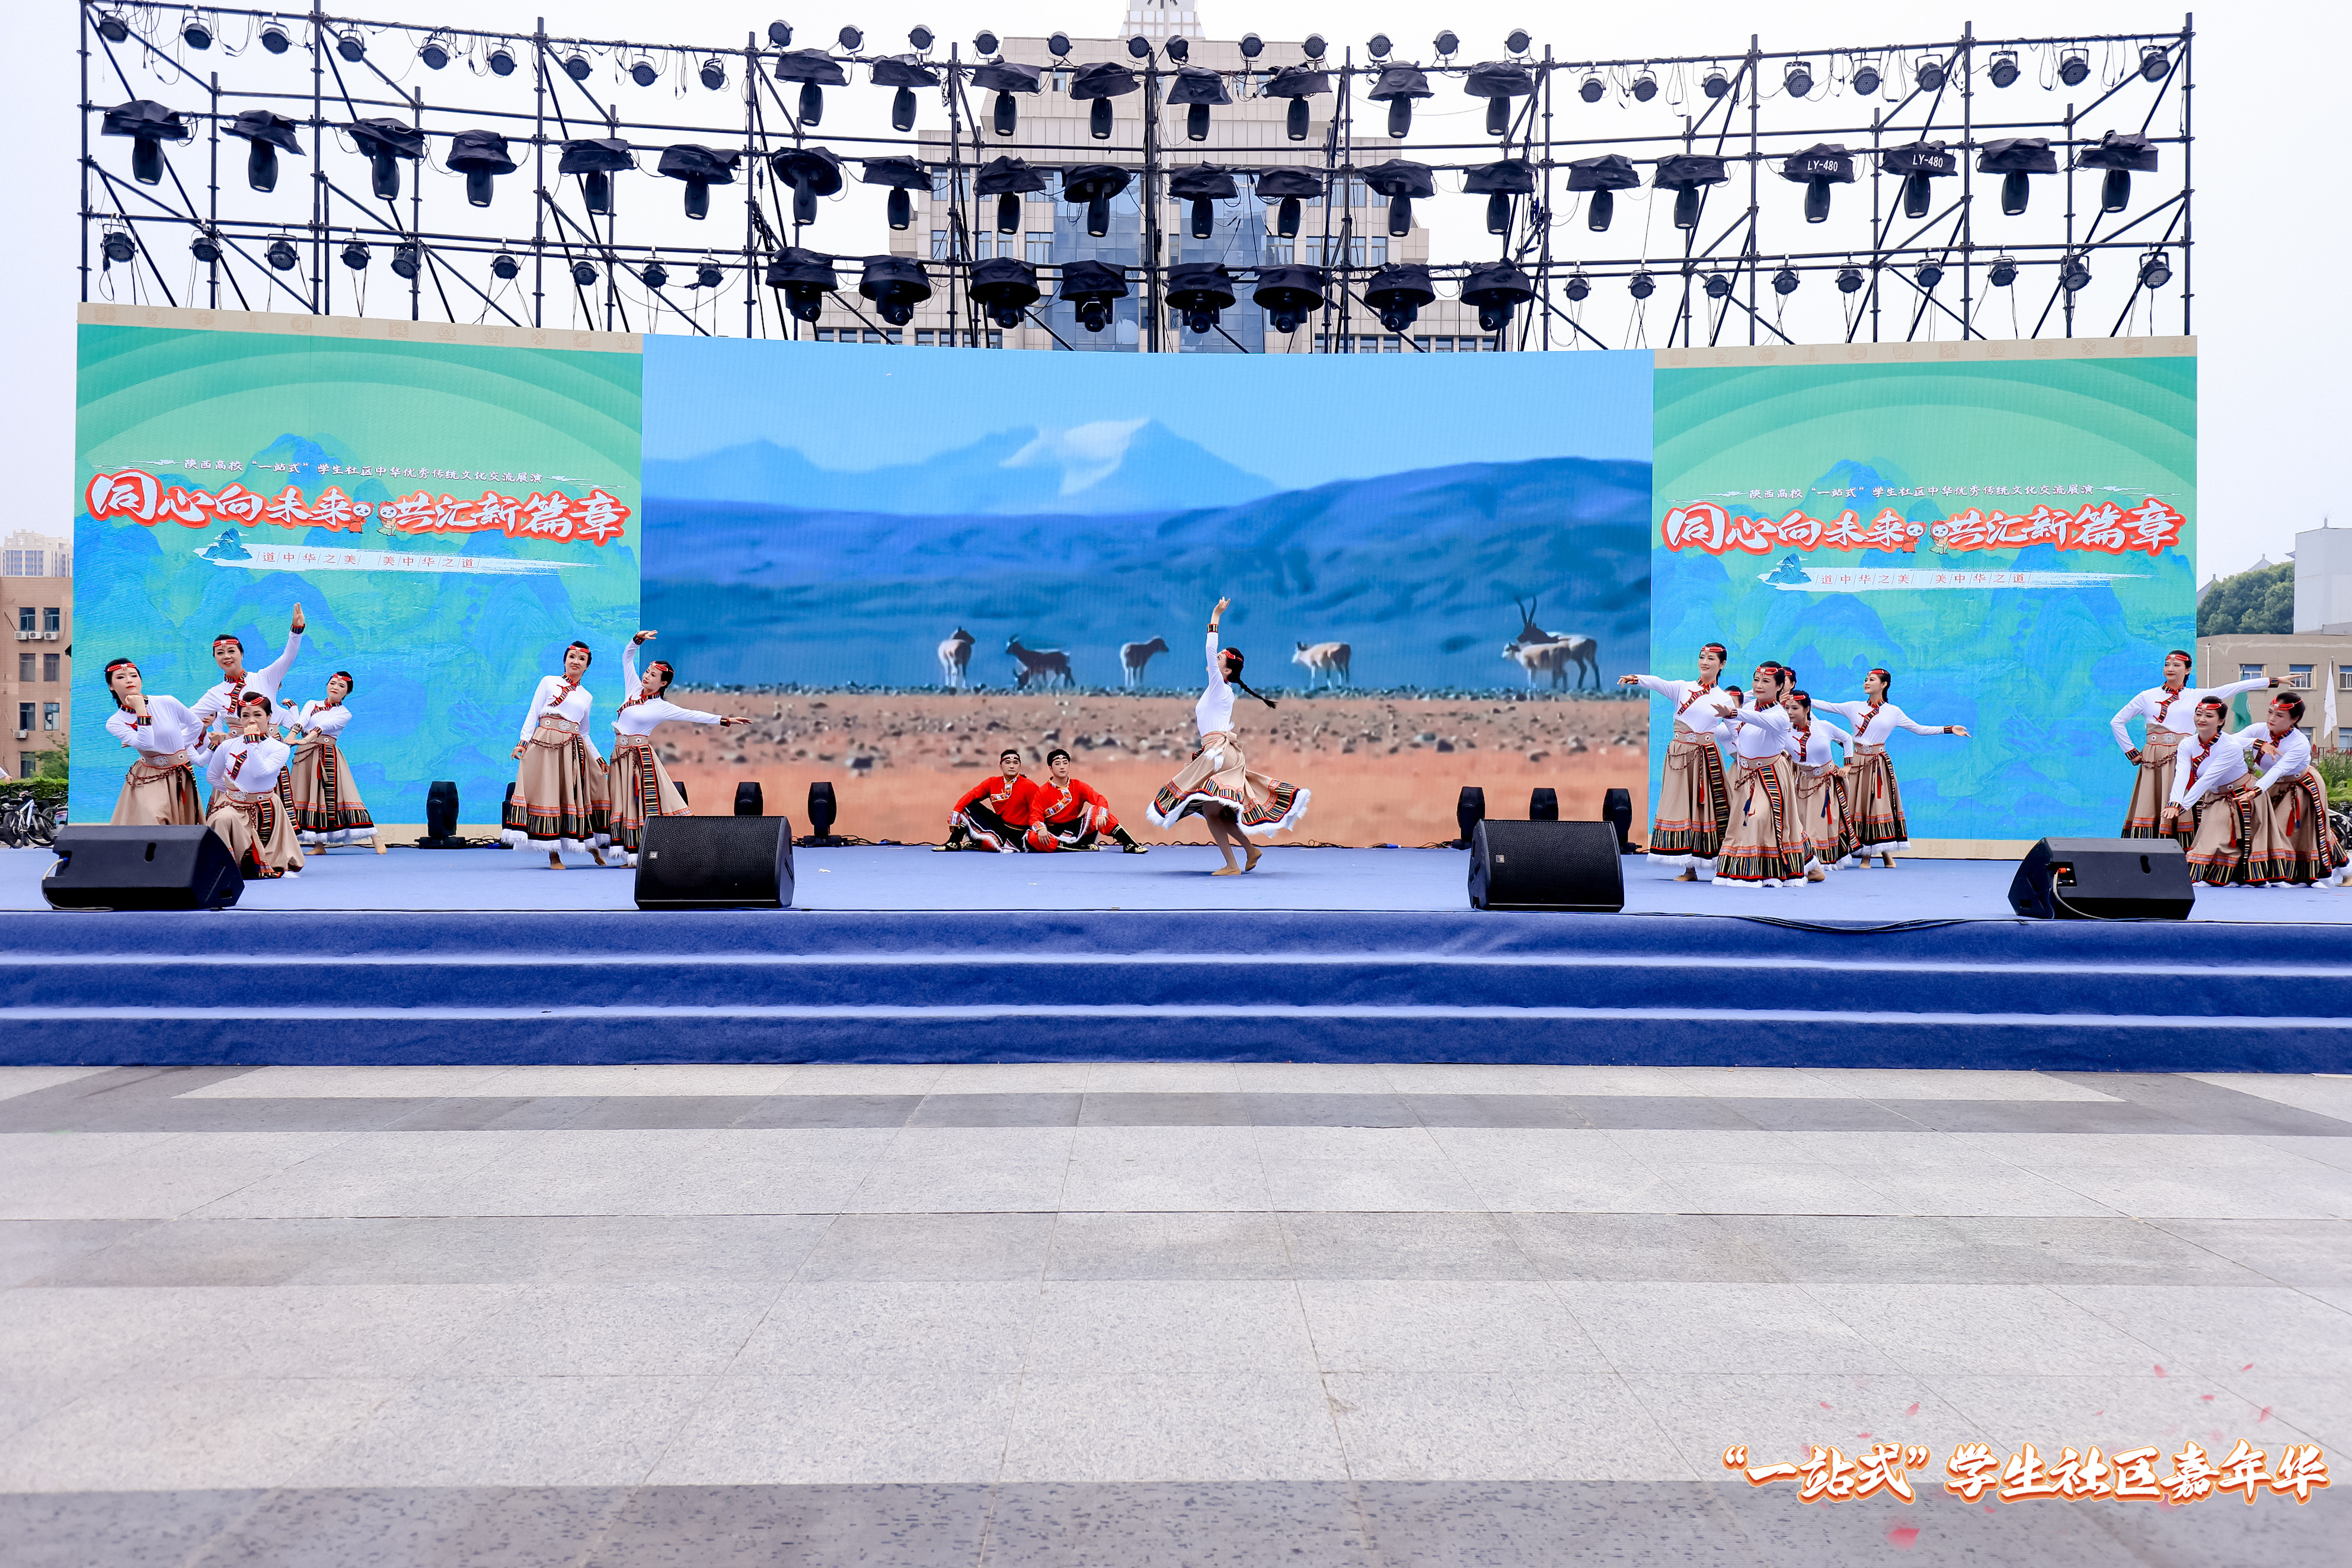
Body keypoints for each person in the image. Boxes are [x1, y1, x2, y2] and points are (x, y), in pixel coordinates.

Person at [1146, 597, 1309, 874]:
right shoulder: (1221, 690)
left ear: (1226, 671)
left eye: (1220, 659)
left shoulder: (1219, 687)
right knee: (1212, 811)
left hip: (1220, 753)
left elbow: (1209, 650)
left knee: (1209, 807)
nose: (1215, 659)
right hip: (1220, 752)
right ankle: (1249, 852)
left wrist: (1215, 616)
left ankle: (1233, 864)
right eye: (1218, 657)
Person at [606, 631, 748, 865]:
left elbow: (694, 715)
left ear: (663, 683)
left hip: (639, 758)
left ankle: (647, 852)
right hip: (619, 756)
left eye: (653, 675)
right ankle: (630, 852)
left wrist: (726, 720)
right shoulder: (633, 689)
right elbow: (627, 657)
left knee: (643, 802)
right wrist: (637, 639)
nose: (647, 677)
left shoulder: (662, 707)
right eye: (647, 672)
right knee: (624, 802)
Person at [2111, 650, 2281, 839]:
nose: (2170, 669)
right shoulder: (2147, 696)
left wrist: (2273, 681)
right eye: (2167, 665)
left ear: (2188, 670)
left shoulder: (2196, 696)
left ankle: (2183, 846)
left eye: (2176, 665)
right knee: (2150, 801)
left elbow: (2233, 688)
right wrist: (2131, 751)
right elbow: (2117, 722)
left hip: (2184, 754)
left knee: (2184, 793)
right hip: (2154, 758)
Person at [1813, 668, 1971, 868]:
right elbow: (1827, 706)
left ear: (1884, 684)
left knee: (1877, 806)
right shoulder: (1853, 707)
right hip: (1857, 763)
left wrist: (1949, 729)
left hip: (1877, 766)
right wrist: (1797, 699)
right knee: (1857, 806)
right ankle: (1880, 855)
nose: (1866, 683)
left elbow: (1919, 729)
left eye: (1872, 680)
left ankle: (1871, 856)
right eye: (1866, 679)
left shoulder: (1893, 712)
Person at [1619, 644, 1731, 881]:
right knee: (1681, 807)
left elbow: (1735, 730)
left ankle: (1724, 864)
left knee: (1706, 809)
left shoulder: (1725, 699)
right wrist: (1637, 679)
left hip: (1706, 758)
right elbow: (1658, 683)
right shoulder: (1682, 688)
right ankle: (1689, 869)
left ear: (1722, 664)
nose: (1705, 662)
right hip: (1680, 757)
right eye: (1702, 657)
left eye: (1711, 659)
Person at [502, 639, 611, 868]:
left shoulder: (587, 697)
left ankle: (591, 847)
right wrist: (522, 743)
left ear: (587, 666)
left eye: (582, 659)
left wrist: (599, 758)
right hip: (544, 745)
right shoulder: (549, 682)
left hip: (572, 749)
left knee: (573, 796)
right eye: (572, 657)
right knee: (548, 795)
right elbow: (533, 713)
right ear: (565, 661)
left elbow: (584, 732)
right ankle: (554, 856)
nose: (576, 661)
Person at [1711, 663, 1810, 887]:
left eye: (1766, 681)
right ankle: (1742, 870)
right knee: (1740, 823)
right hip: (1746, 774)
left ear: (1780, 686)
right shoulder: (1749, 707)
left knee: (1760, 818)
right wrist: (1728, 718)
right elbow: (1736, 732)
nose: (1759, 685)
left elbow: (1758, 720)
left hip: (1770, 774)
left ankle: (1769, 871)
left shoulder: (1780, 715)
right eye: (1756, 680)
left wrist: (1733, 713)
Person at [2235, 693, 2348, 887]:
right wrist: (2257, 743)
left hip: (2299, 785)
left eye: (2279, 716)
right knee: (2264, 827)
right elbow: (2229, 743)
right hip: (2271, 785)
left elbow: (2279, 769)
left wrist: (2256, 791)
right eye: (2270, 712)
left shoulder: (2300, 743)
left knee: (2285, 829)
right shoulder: (2259, 730)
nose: (2272, 718)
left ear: (2294, 719)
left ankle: (2286, 876)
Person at [2162, 696, 2261, 887]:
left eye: (2209, 716)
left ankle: (2225, 878)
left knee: (2221, 838)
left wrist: (2182, 807)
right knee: (2213, 837)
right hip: (2214, 796)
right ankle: (2221, 878)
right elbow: (2181, 775)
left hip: (2241, 795)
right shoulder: (2187, 744)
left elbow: (2208, 778)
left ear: (2221, 721)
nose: (2202, 719)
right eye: (2199, 714)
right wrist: (2174, 802)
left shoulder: (2231, 746)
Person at [203, 693, 303, 878]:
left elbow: (260, 772)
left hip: (265, 809)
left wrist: (252, 742)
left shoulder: (280, 748)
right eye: (246, 716)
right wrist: (236, 794)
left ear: (269, 717)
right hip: (233, 806)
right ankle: (224, 867)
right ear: (240, 719)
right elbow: (213, 776)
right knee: (221, 819)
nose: (251, 720)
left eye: (258, 715)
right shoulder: (227, 746)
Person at [284, 671, 383, 853]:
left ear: (347, 693)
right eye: (333, 683)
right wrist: (292, 735)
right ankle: (319, 845)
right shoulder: (311, 704)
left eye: (341, 686)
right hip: (305, 755)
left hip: (327, 757)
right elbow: (303, 720)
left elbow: (323, 727)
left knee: (341, 795)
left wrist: (304, 740)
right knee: (307, 794)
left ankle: (375, 837)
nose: (336, 687)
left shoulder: (344, 713)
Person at [102, 658, 203, 826]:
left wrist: (178, 748)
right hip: (149, 774)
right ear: (111, 686)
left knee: (183, 824)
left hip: (180, 771)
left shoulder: (167, 702)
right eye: (120, 677)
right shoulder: (115, 722)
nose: (129, 680)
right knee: (154, 817)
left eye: (134, 675)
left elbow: (196, 725)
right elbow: (146, 743)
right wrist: (141, 709)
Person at [1784, 689, 1858, 882]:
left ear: (1807, 709)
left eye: (1795, 708)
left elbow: (1846, 739)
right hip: (1802, 783)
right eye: (1787, 708)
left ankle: (1820, 864)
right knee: (1801, 822)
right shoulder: (1784, 732)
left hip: (1826, 783)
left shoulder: (1823, 727)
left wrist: (1848, 765)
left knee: (1820, 823)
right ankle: (1806, 863)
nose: (1790, 712)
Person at [1025, 748, 1149, 852]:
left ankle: (1129, 844)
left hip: (1077, 828)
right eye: (1057, 764)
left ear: (1069, 765)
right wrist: (1041, 829)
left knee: (1097, 810)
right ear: (1051, 768)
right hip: (1054, 832)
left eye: (1065, 763)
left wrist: (1101, 814)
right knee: (1032, 837)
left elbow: (1100, 799)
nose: (1062, 767)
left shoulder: (1078, 786)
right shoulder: (1042, 792)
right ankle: (1078, 848)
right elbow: (1035, 817)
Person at [943, 748, 1042, 852]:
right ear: (1001, 766)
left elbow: (1037, 813)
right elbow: (971, 795)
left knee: (988, 845)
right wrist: (955, 812)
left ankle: (979, 842)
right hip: (1001, 826)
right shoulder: (992, 782)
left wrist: (1039, 831)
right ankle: (954, 842)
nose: (1012, 766)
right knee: (968, 805)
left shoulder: (1030, 786)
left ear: (1020, 766)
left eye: (1015, 763)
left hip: (1018, 833)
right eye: (1008, 763)